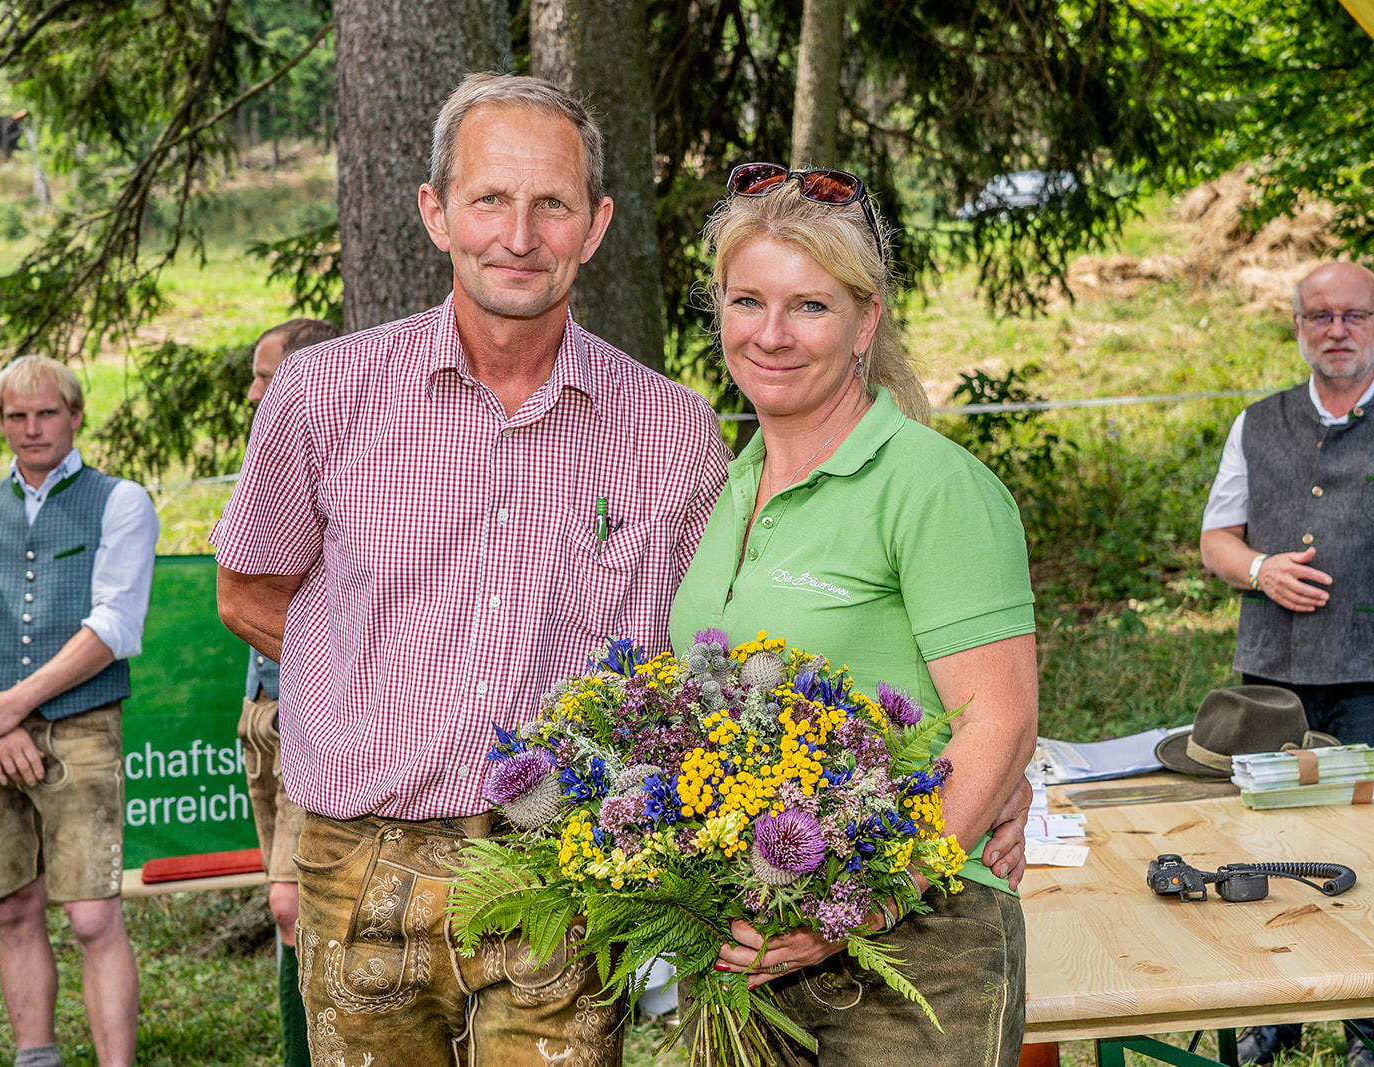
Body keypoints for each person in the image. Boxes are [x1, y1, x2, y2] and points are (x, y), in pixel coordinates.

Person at [212, 72, 731, 1065]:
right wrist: (369, 674)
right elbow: (247, 590)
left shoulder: (671, 429)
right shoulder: (324, 394)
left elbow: (686, 655)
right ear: (435, 212)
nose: (520, 233)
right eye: (490, 197)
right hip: (357, 854)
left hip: (561, 861)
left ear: (597, 224)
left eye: (553, 203)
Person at [667, 166, 1038, 1065]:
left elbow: (1001, 718)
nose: (771, 334)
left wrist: (859, 908)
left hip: (916, 945)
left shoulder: (933, 487)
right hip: (748, 944)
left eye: (810, 307)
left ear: (866, 322)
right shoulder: (729, 486)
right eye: (747, 300)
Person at [0, 355, 158, 1067]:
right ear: (1, 422)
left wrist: (10, 707)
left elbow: (115, 624)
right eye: (17, 416)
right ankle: (36, 1057)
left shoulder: (121, 501)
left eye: (47, 412)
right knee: (15, 911)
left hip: (80, 725)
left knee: (91, 914)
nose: (32, 428)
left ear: (76, 414)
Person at [1199, 260, 1374, 1067]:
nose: (1337, 329)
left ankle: (1366, 1025)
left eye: (1356, 315)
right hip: (1274, 679)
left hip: (1370, 676)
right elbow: (1216, 541)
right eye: (1321, 316)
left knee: (1370, 853)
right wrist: (1261, 567)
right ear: (1299, 326)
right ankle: (1274, 1011)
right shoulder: (1256, 422)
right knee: (1266, 844)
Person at [238, 316, 336, 1067]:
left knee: (294, 903)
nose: (254, 391)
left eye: (267, 376)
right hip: (261, 705)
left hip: (315, 708)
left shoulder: (335, 453)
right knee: (288, 915)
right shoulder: (266, 457)